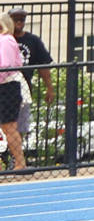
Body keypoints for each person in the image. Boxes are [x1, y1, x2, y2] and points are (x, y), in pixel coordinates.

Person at [7, 9, 52, 155]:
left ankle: (15, 155)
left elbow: (43, 66)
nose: (19, 23)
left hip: (23, 89)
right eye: (15, 19)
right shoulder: (5, 40)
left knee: (21, 126)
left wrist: (49, 87)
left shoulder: (32, 40)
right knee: (7, 125)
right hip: (5, 87)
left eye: (22, 19)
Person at [0, 18, 27, 174]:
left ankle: (20, 163)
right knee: (7, 127)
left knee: (9, 126)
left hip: (7, 86)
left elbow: (6, 66)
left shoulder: (6, 40)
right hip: (5, 84)